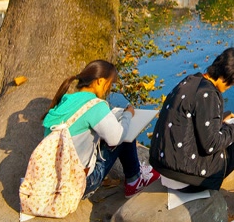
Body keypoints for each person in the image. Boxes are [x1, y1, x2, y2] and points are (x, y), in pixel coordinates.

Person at [149, 47, 234, 213]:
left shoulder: (190, 81)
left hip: (166, 171)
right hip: (189, 179)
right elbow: (211, 145)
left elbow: (191, 121)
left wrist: (221, 118)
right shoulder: (208, 94)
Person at [43, 59, 160, 200]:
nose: (107, 90)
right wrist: (127, 115)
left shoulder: (66, 99)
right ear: (99, 81)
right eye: (108, 85)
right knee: (125, 131)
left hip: (52, 179)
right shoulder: (95, 105)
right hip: (80, 185)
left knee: (111, 131)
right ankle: (134, 180)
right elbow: (118, 137)